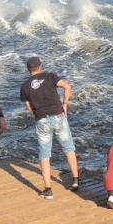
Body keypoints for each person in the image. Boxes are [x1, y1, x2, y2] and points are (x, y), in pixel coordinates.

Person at [20, 56, 80, 199]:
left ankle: (48, 189)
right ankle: (76, 180)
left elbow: (29, 108)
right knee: (69, 149)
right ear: (41, 67)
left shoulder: (25, 86)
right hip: (58, 116)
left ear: (28, 69)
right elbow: (67, 87)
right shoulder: (50, 76)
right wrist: (65, 103)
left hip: (42, 120)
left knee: (45, 155)